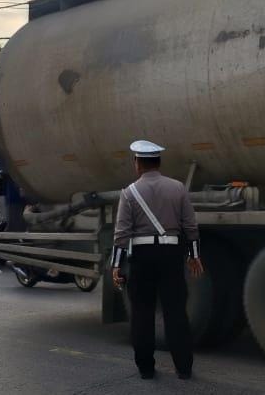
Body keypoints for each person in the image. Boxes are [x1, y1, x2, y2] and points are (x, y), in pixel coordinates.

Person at [111, 140, 203, 380]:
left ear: (137, 164)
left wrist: (116, 265)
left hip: (142, 258)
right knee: (176, 312)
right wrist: (194, 255)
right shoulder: (178, 188)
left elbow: (122, 233)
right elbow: (190, 226)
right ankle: (184, 368)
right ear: (159, 163)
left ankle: (146, 369)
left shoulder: (129, 193)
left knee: (142, 313)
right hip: (171, 255)